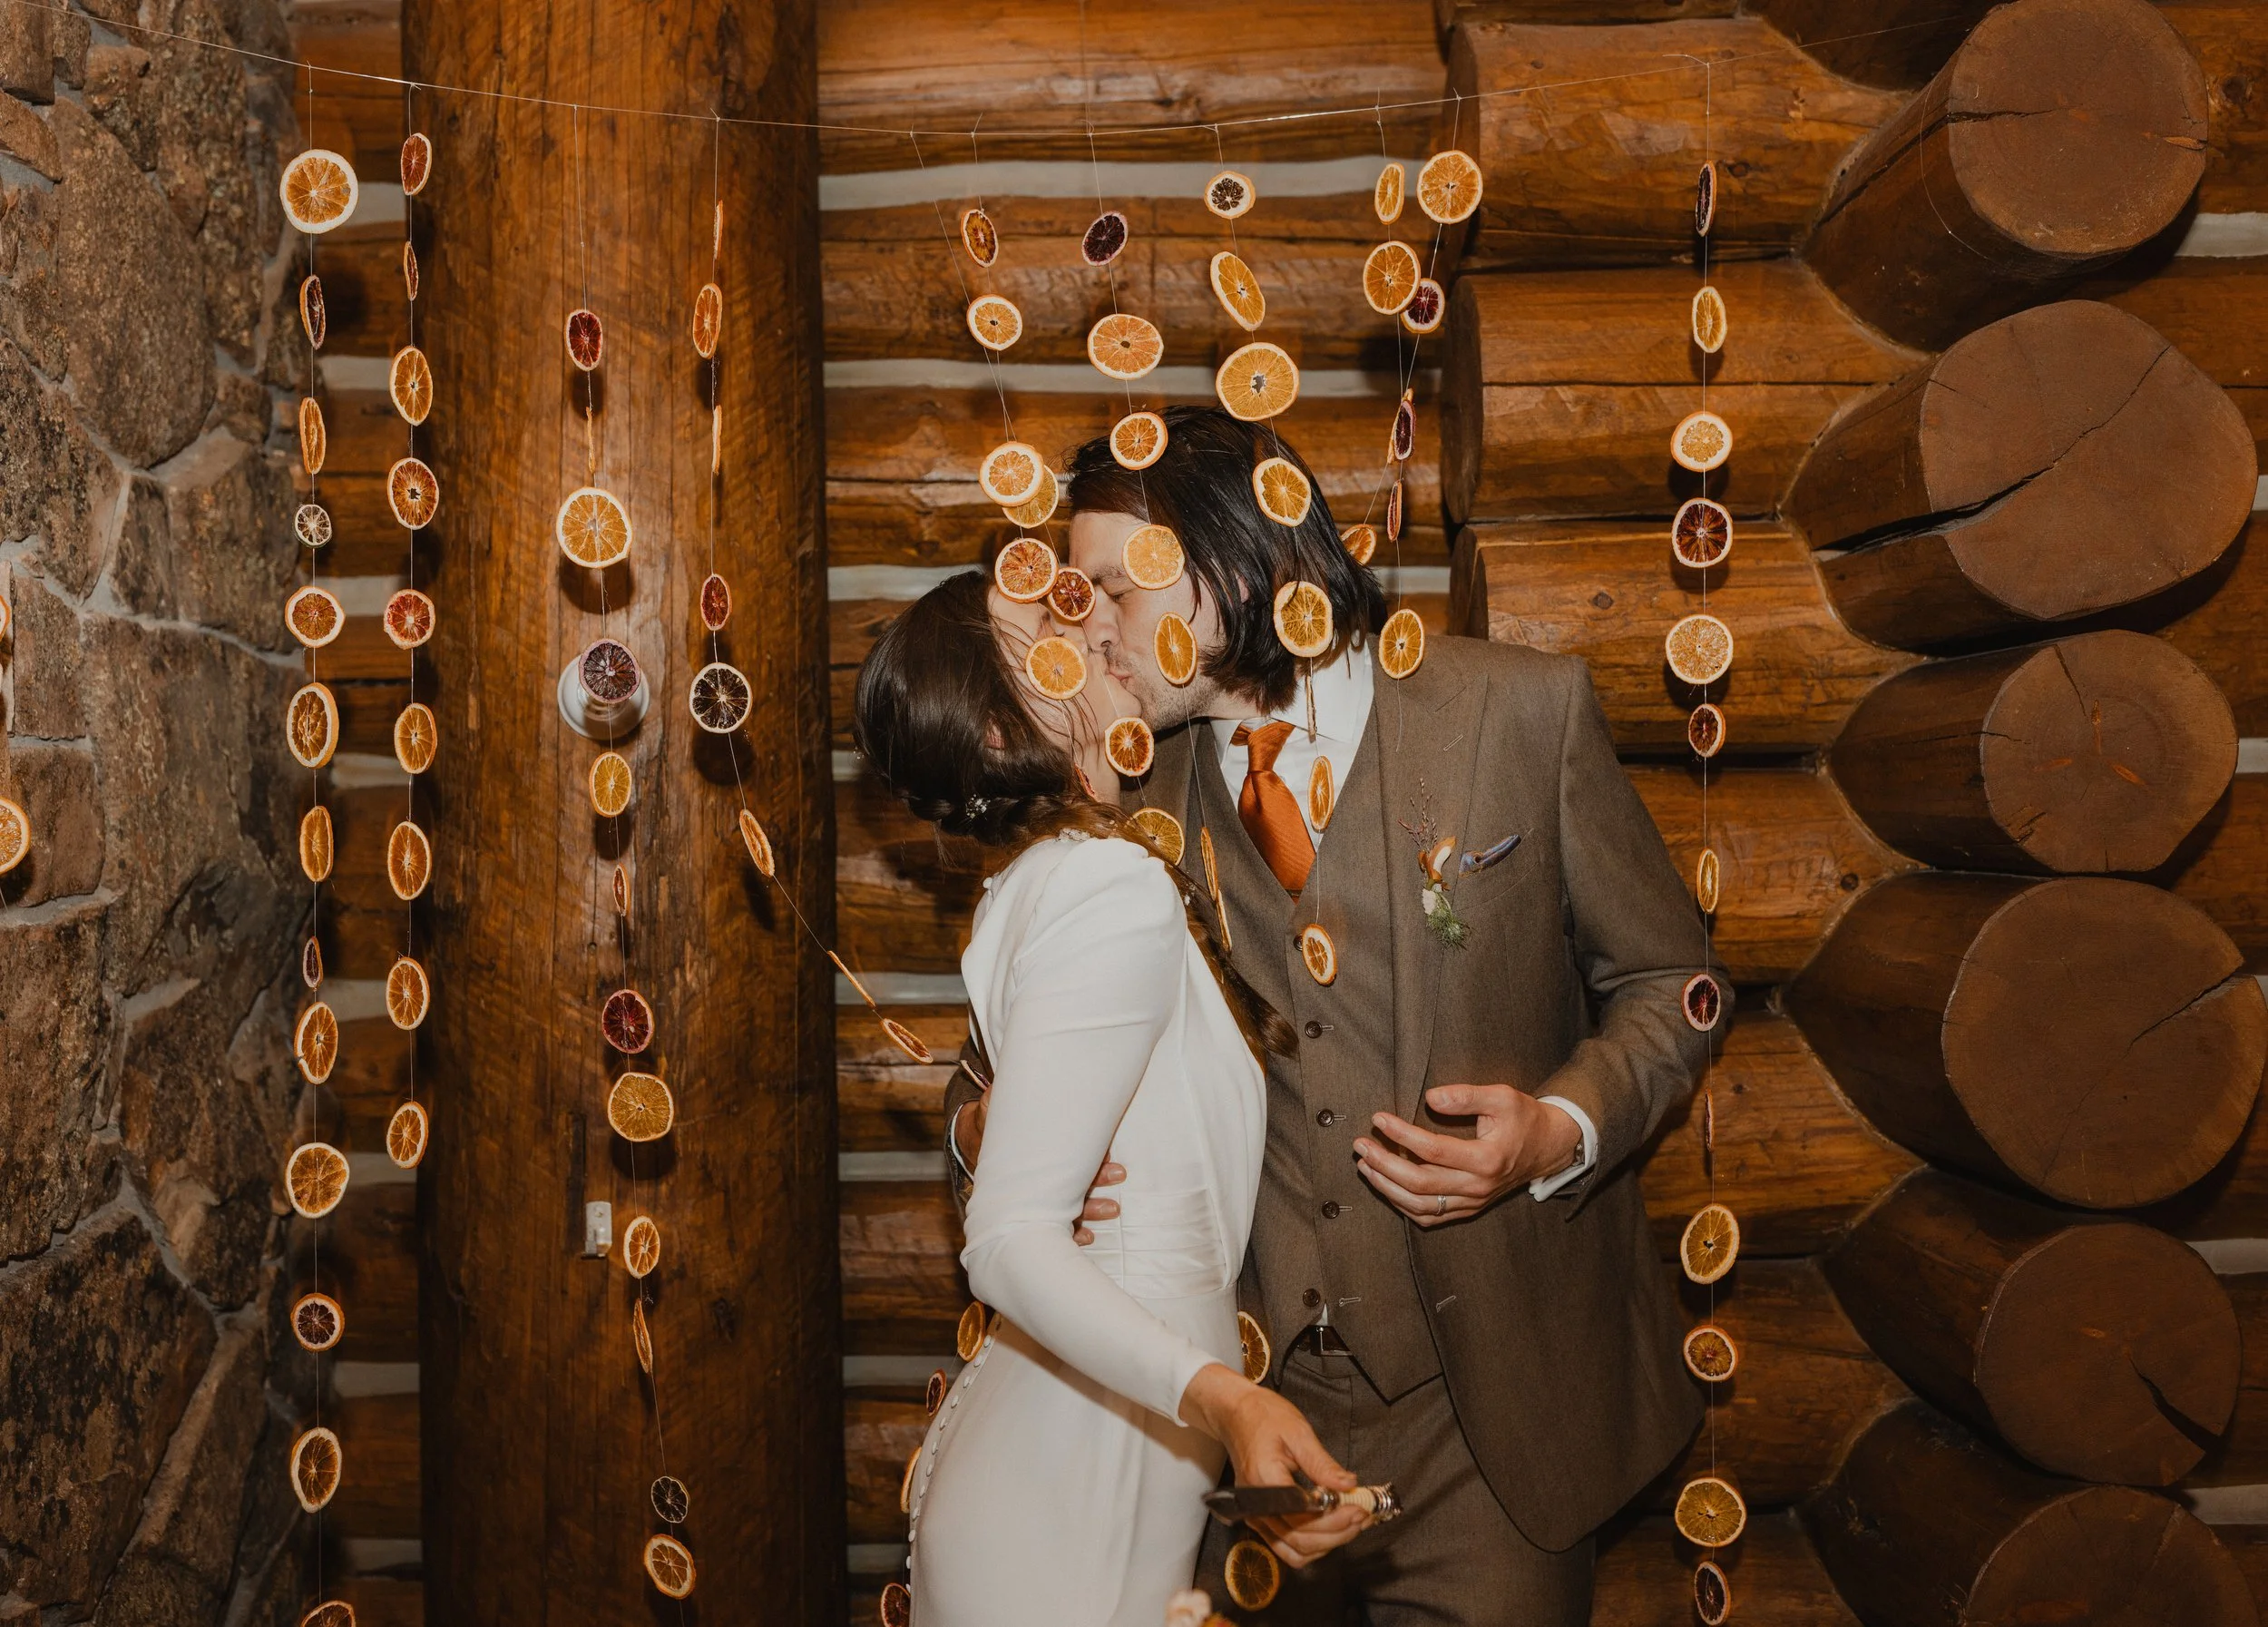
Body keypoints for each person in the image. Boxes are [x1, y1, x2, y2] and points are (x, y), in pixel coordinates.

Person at [948, 407, 1725, 1624]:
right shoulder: (1123, 785)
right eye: (1077, 595)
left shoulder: (1518, 715)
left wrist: (1557, 1129)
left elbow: (1673, 986)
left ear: (1246, 557)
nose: (1088, 626)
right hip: (1241, 1419)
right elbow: (984, 1064)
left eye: (1113, 586)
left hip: (1500, 1419)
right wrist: (988, 1128)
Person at [854, 571, 1374, 1627]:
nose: (1083, 616)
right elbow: (1004, 1237)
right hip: (1081, 1467)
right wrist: (1231, 1399)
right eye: (1041, 627)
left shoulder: (1048, 877)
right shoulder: (1105, 885)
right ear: (1001, 734)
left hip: (1090, 1432)